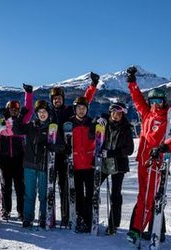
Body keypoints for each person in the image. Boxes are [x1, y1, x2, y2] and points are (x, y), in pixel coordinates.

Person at [126, 66, 171, 243]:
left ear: (164, 101)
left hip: (155, 162)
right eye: (152, 101)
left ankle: (137, 230)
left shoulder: (169, 115)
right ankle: (155, 230)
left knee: (148, 197)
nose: (155, 104)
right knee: (143, 196)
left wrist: (165, 147)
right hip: (142, 161)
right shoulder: (147, 113)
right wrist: (132, 82)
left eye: (159, 101)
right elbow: (137, 99)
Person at [49, 72, 99, 226]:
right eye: (55, 98)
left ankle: (67, 216)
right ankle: (54, 216)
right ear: (52, 100)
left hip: (67, 154)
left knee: (67, 188)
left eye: (59, 98)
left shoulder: (69, 111)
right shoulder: (48, 113)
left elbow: (84, 103)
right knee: (52, 187)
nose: (57, 100)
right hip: (53, 153)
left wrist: (93, 86)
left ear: (63, 99)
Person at [13, 100, 64, 228]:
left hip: (44, 166)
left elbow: (62, 146)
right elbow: (16, 130)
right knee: (29, 194)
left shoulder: (53, 128)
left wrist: (53, 147)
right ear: (36, 113)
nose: (42, 114)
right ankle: (28, 218)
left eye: (44, 112)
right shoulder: (31, 126)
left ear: (48, 113)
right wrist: (21, 115)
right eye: (40, 112)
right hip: (29, 165)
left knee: (43, 195)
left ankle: (43, 217)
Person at [0, 83, 33, 221]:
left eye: (16, 109)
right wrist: (5, 119)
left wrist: (28, 94)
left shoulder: (22, 121)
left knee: (20, 187)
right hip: (5, 158)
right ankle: (6, 210)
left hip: (19, 158)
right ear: (7, 110)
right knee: (6, 186)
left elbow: (29, 110)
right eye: (11, 109)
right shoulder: (1, 121)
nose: (13, 111)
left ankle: (21, 211)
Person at [99, 102, 134, 235]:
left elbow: (129, 150)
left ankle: (114, 224)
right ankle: (90, 217)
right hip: (103, 163)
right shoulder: (103, 124)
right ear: (110, 112)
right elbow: (94, 133)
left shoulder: (126, 128)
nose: (116, 115)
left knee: (115, 194)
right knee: (93, 188)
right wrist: (99, 118)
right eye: (114, 112)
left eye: (119, 113)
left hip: (118, 164)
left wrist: (111, 153)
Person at [67, 96, 96, 233]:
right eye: (78, 108)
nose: (81, 110)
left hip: (90, 165)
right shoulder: (69, 124)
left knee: (89, 195)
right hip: (76, 165)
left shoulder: (92, 123)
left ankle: (88, 220)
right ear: (75, 109)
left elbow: (100, 139)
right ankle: (79, 218)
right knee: (77, 194)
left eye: (83, 108)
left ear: (87, 109)